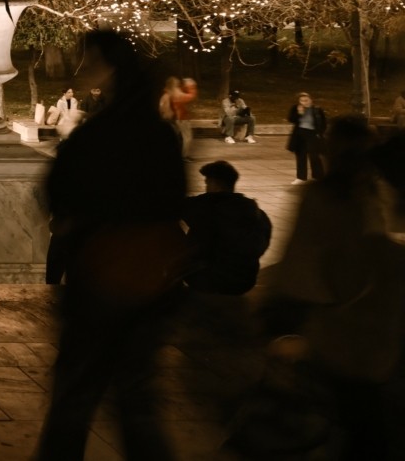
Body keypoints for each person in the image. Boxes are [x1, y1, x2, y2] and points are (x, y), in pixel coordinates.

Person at [34, 29, 187, 461]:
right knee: (137, 399)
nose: (81, 70)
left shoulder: (99, 135)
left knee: (75, 397)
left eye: (88, 61)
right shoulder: (158, 135)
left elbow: (60, 195)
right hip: (151, 281)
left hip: (99, 277)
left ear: (108, 67)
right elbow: (175, 199)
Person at [259, 115, 403, 458]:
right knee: (365, 426)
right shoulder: (372, 202)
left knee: (353, 424)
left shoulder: (329, 198)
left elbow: (303, 266)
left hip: (340, 337)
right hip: (368, 343)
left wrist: (283, 318)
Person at [183, 161, 270, 296]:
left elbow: (175, 206)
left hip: (208, 279)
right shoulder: (256, 212)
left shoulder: (206, 205)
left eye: (207, 182)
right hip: (245, 281)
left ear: (213, 183)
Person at [286, 92, 327, 181]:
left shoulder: (316, 109)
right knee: (301, 155)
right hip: (300, 133)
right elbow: (291, 119)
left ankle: (317, 176)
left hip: (312, 133)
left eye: (306, 100)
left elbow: (323, 122)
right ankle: (301, 177)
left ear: (311, 100)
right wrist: (299, 113)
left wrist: (320, 132)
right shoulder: (296, 108)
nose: (304, 102)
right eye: (302, 100)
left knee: (314, 155)